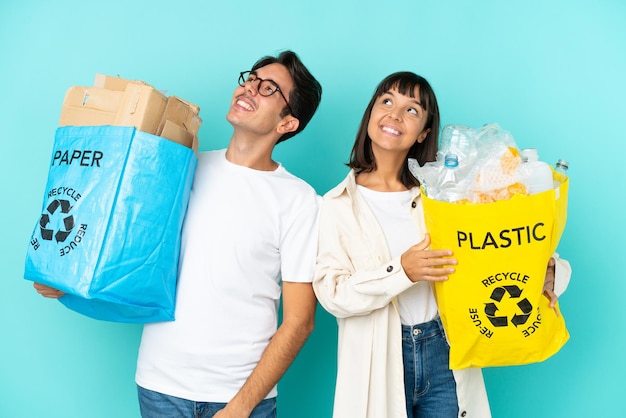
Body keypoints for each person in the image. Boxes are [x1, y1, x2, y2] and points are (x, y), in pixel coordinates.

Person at [34, 50, 323, 418]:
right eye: (250, 78)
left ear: (288, 123)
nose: (249, 88)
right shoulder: (183, 166)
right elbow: (134, 263)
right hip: (160, 387)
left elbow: (300, 321)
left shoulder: (299, 200)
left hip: (239, 396)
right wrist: (66, 283)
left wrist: (241, 407)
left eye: (268, 88)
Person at [312, 72, 571, 418]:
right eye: (386, 101)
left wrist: (548, 272)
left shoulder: (445, 199)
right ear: (371, 114)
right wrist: (401, 271)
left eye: (412, 110)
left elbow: (499, 249)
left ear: (423, 133)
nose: (394, 114)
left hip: (445, 350)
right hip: (382, 355)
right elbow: (333, 294)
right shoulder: (337, 204)